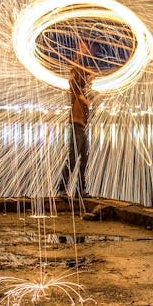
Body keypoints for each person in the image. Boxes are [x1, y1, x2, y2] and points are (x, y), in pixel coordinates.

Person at [57, 41, 95, 197]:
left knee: (84, 159)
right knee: (73, 158)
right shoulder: (76, 89)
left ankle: (80, 190)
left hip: (82, 127)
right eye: (88, 79)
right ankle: (62, 189)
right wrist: (79, 54)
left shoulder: (83, 93)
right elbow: (74, 77)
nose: (90, 82)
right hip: (75, 125)